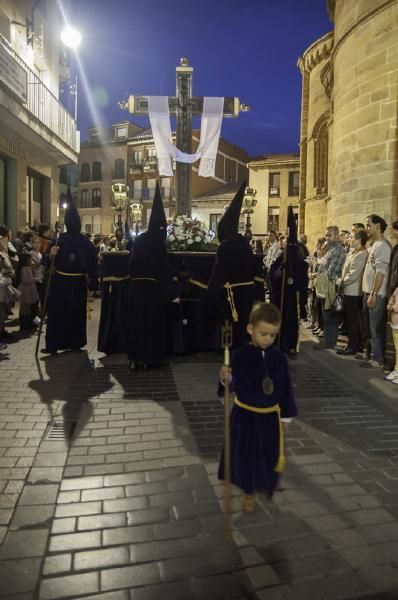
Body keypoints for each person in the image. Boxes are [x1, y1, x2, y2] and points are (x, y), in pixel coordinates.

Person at [218, 302, 297, 513]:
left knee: (267, 455)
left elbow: (285, 388)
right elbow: (233, 384)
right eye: (264, 334)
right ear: (250, 329)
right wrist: (227, 378)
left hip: (269, 418)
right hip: (245, 417)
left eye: (273, 335)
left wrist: (286, 417)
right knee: (246, 456)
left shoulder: (279, 358)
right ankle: (248, 491)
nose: (268, 339)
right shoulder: (240, 354)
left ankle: (264, 484)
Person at [126, 183, 179, 369]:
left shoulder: (139, 239)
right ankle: (151, 359)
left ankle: (134, 359)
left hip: (136, 290)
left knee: (136, 323)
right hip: (153, 291)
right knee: (152, 325)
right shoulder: (159, 243)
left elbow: (131, 265)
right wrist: (173, 294)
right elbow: (163, 271)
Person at [42, 189, 97, 356]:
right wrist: (93, 284)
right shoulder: (82, 242)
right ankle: (75, 343)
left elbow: (47, 265)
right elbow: (93, 266)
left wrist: (50, 257)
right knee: (75, 314)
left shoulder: (59, 240)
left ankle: (54, 344)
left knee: (58, 314)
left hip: (61, 283)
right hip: (77, 284)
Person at [204, 181, 255, 350]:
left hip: (232, 295)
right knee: (244, 326)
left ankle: (230, 355)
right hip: (247, 294)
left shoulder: (225, 246)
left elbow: (219, 273)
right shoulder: (245, 243)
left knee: (231, 327)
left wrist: (209, 294)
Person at [359, 214, 391, 368]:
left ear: (378, 227)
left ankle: (377, 359)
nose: (366, 228)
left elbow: (381, 272)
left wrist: (372, 293)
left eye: (368, 225)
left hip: (377, 294)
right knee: (370, 327)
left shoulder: (383, 246)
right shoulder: (375, 245)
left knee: (375, 327)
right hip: (370, 293)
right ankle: (371, 354)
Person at [313, 225, 346, 350]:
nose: (327, 237)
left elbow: (332, 272)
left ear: (337, 236)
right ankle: (328, 340)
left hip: (330, 287)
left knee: (329, 315)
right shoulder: (331, 249)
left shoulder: (337, 250)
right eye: (326, 235)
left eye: (330, 235)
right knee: (326, 315)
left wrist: (316, 274)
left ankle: (330, 342)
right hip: (324, 285)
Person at [336, 229, 368, 355]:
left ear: (359, 240)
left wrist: (340, 281)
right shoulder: (353, 252)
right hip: (348, 291)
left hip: (354, 292)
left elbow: (353, 275)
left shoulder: (362, 254)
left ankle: (353, 346)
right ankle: (356, 344)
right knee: (351, 320)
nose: (350, 240)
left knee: (353, 321)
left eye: (353, 237)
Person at [18, 252, 40, 330]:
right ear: (26, 260)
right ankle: (24, 324)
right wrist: (35, 279)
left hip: (29, 289)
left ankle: (28, 323)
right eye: (30, 259)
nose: (31, 260)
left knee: (28, 308)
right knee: (25, 308)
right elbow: (25, 280)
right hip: (26, 290)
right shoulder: (24, 268)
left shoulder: (28, 268)